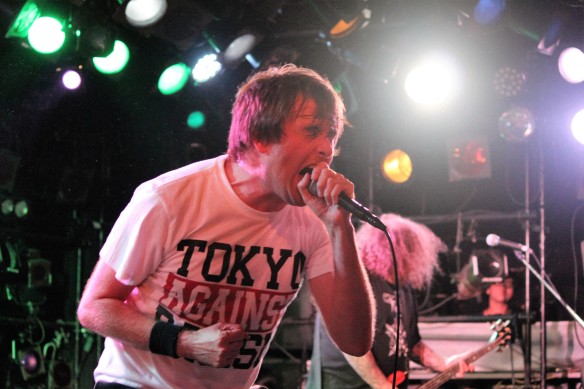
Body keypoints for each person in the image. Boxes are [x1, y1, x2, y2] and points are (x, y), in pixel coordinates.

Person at [76, 64, 375, 389]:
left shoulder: (315, 220)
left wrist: (341, 228)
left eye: (331, 134)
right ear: (261, 137)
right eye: (312, 130)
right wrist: (183, 342)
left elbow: (355, 342)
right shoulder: (168, 199)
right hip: (136, 383)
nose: (326, 148)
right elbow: (94, 307)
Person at [308, 213, 472, 389]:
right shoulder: (357, 280)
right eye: (410, 248)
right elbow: (352, 346)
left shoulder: (404, 288)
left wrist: (444, 363)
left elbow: (410, 344)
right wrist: (382, 385)